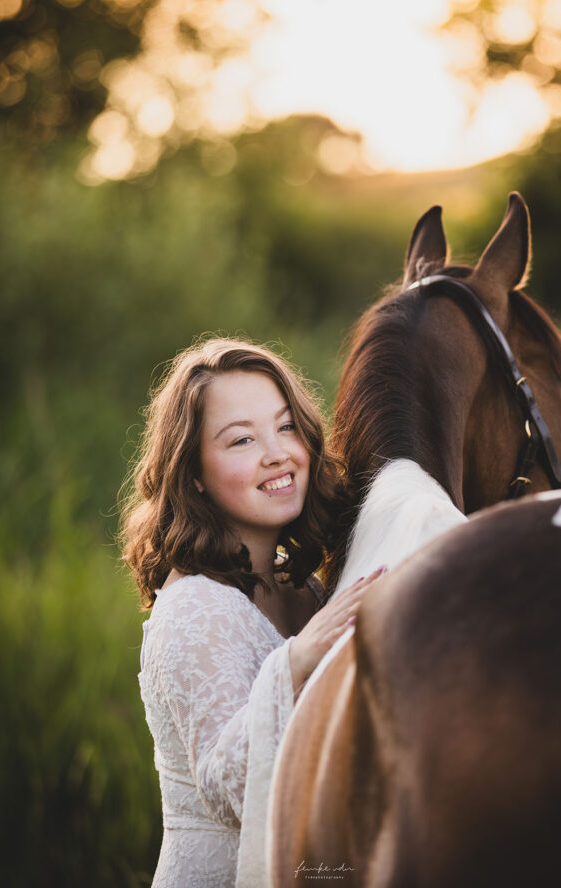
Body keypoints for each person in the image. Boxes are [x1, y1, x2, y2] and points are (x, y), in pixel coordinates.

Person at [120, 338, 384, 888]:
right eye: (242, 439)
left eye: (286, 427)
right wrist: (298, 659)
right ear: (194, 473)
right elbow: (229, 790)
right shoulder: (193, 606)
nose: (277, 453)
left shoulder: (303, 587)